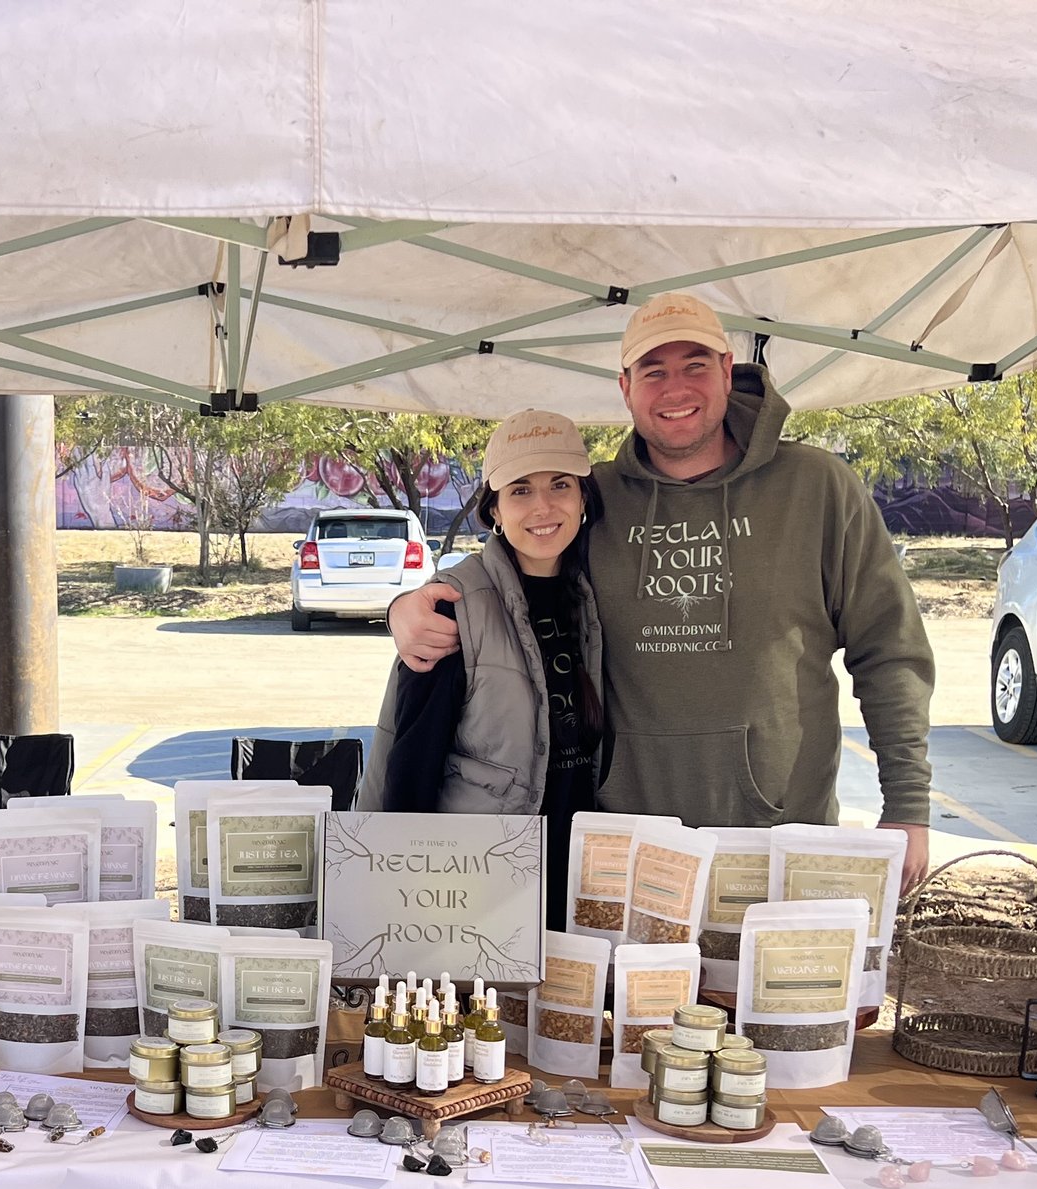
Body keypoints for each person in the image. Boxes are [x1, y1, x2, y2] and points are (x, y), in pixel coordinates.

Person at [388, 295, 936, 890]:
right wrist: (413, 602)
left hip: (780, 835)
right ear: (625, 387)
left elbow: (890, 649)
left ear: (729, 371)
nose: (675, 389)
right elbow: (515, 566)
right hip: (626, 846)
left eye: (695, 365)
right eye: (653, 372)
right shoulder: (595, 496)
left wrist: (907, 803)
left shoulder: (818, 488)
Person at [357, 411, 604, 928]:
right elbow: (410, 766)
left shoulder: (598, 593)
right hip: (473, 883)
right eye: (520, 490)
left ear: (584, 497)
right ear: (493, 509)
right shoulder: (451, 605)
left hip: (574, 868)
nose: (543, 506)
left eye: (560, 485)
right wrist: (399, 895)